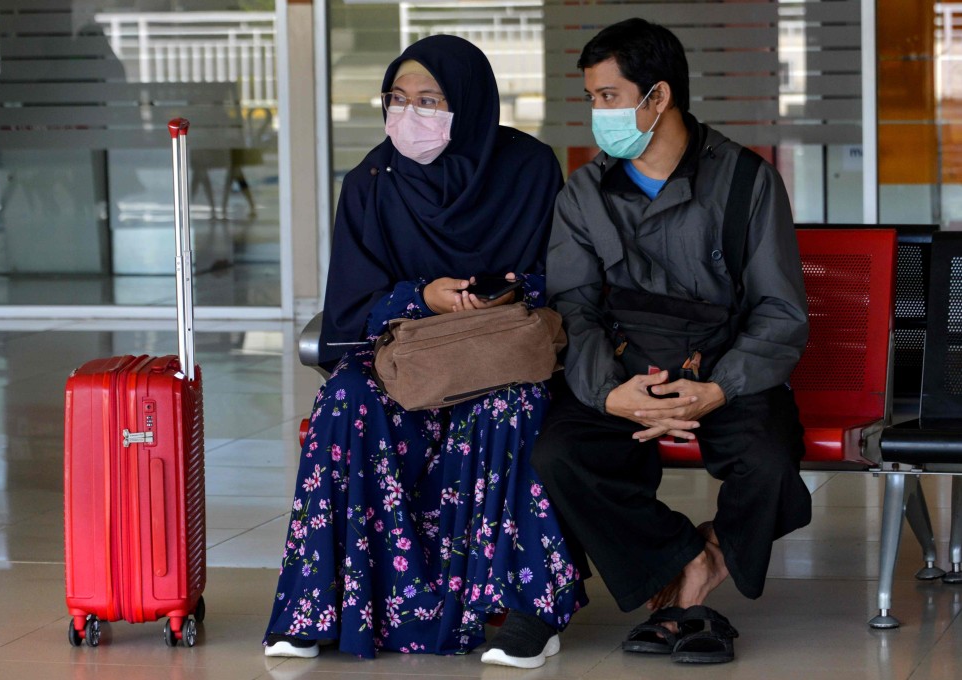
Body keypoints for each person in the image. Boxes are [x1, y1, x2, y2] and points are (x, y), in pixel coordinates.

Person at [262, 34, 586, 668]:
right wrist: (420, 296)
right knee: (345, 399)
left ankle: (530, 611)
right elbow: (352, 305)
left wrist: (501, 292)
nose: (410, 115)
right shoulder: (370, 183)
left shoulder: (529, 168)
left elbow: (567, 279)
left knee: (513, 407)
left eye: (431, 100)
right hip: (403, 358)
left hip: (495, 356)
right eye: (397, 98)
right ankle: (320, 608)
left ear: (468, 103)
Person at [532, 18, 812, 664]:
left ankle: (707, 565)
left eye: (608, 97)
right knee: (558, 453)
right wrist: (612, 395)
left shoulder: (746, 183)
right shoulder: (583, 195)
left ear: (656, 99)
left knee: (769, 457)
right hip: (625, 370)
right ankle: (681, 556)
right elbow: (573, 307)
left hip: (725, 369)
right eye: (591, 98)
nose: (597, 114)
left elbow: (780, 311)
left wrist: (718, 388)